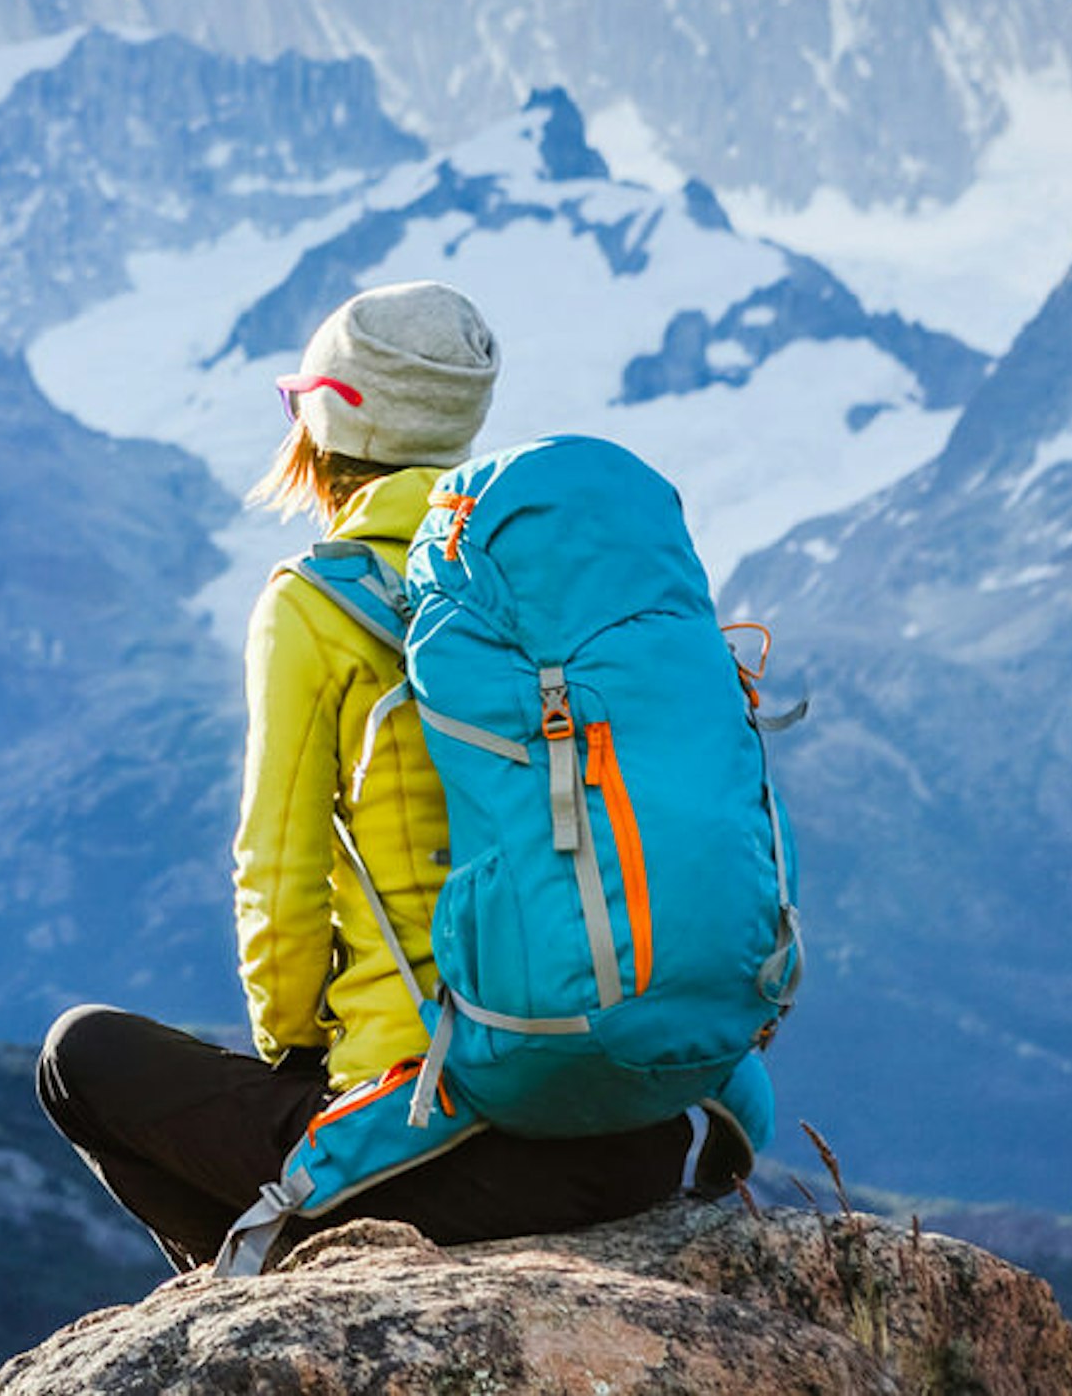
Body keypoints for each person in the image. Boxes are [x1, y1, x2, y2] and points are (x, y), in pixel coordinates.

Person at [37, 279, 693, 1271]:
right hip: (643, 1126)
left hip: (444, 1132)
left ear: (327, 417)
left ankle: (263, 1306)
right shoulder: (555, 587)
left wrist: (298, 1051)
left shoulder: (315, 604)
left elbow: (279, 884)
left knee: (77, 1054)